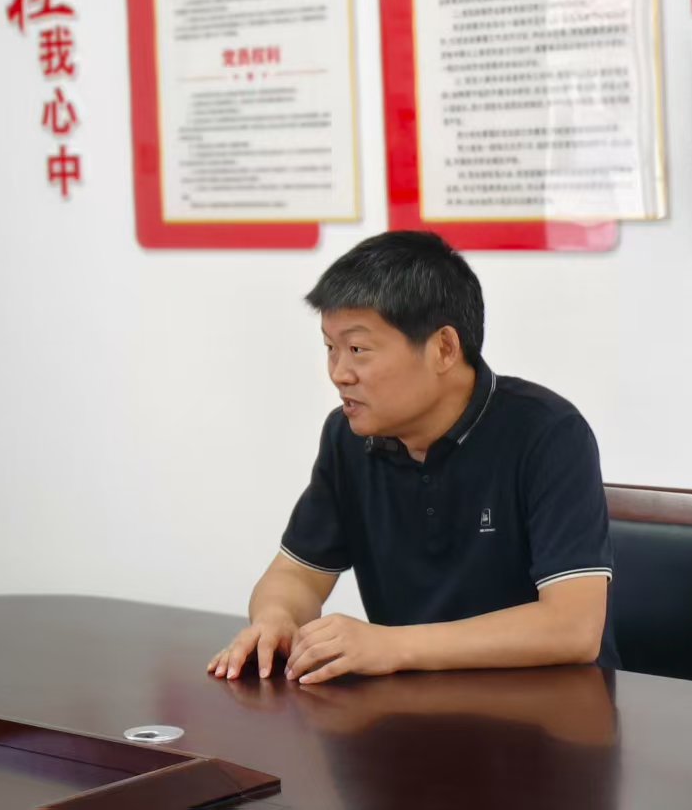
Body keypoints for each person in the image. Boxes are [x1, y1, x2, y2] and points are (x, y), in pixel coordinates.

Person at [209, 231, 617, 685]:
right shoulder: (348, 437)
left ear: (444, 348)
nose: (339, 373)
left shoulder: (548, 433)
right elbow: (296, 575)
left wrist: (391, 645)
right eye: (330, 348)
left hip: (550, 709)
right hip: (408, 705)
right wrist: (276, 618)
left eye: (358, 349)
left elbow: (573, 628)